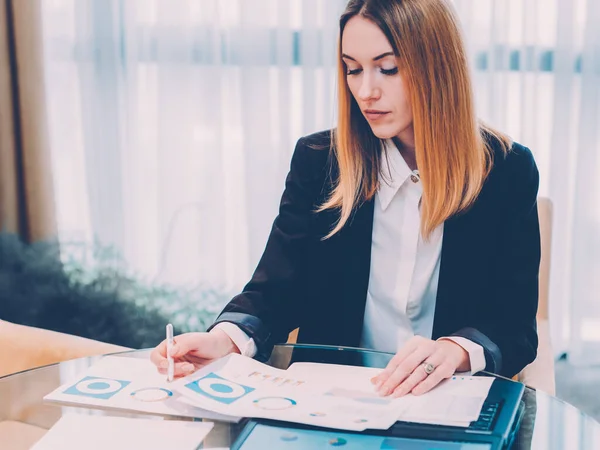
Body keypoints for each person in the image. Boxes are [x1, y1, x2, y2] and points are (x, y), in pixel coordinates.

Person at [151, 0, 540, 398]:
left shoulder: (506, 172)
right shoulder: (320, 163)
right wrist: (227, 339)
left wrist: (454, 350)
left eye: (387, 68)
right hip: (334, 404)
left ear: (437, 66)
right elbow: (275, 290)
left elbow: (515, 328)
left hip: (445, 404)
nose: (365, 91)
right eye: (352, 69)